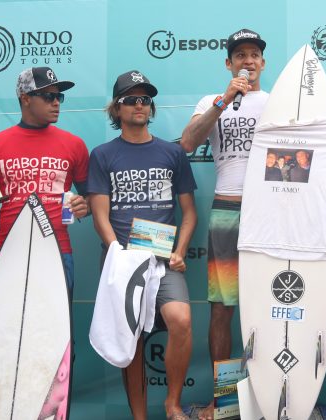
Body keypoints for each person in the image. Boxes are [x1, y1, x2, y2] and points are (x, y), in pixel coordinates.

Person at [88, 70, 197, 420]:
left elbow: (189, 212)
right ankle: (139, 416)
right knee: (130, 339)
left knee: (180, 319)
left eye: (145, 99)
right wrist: (115, 251)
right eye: (130, 99)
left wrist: (180, 251)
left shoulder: (172, 153)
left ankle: (173, 404)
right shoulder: (103, 155)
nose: (139, 105)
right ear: (116, 109)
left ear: (151, 108)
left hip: (162, 260)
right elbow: (99, 213)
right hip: (122, 262)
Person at [180, 28, 268, 420]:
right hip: (227, 211)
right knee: (222, 310)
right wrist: (222, 101)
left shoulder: (277, 102)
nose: (247, 61)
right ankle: (226, 404)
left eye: (254, 54)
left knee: (270, 308)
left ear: (262, 63)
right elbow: (186, 143)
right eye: (240, 55)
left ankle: (267, 398)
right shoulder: (211, 101)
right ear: (229, 64)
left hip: (271, 215)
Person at [0, 67, 89, 291]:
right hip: (10, 251)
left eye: (59, 96)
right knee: (8, 325)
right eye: (49, 96)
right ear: (25, 98)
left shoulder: (74, 144)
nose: (56, 102)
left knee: (56, 326)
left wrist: (83, 206)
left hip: (57, 250)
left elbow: (92, 198)